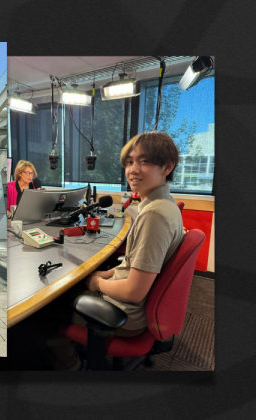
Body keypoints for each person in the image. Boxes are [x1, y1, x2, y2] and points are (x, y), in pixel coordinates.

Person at [39, 132, 183, 370]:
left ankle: (73, 367)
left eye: (144, 161)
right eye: (129, 162)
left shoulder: (154, 215)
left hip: (125, 313)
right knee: (77, 282)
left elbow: (134, 291)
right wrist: (106, 274)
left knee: (44, 307)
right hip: (133, 302)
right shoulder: (163, 205)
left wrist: (96, 283)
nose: (133, 170)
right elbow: (134, 266)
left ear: (167, 167)